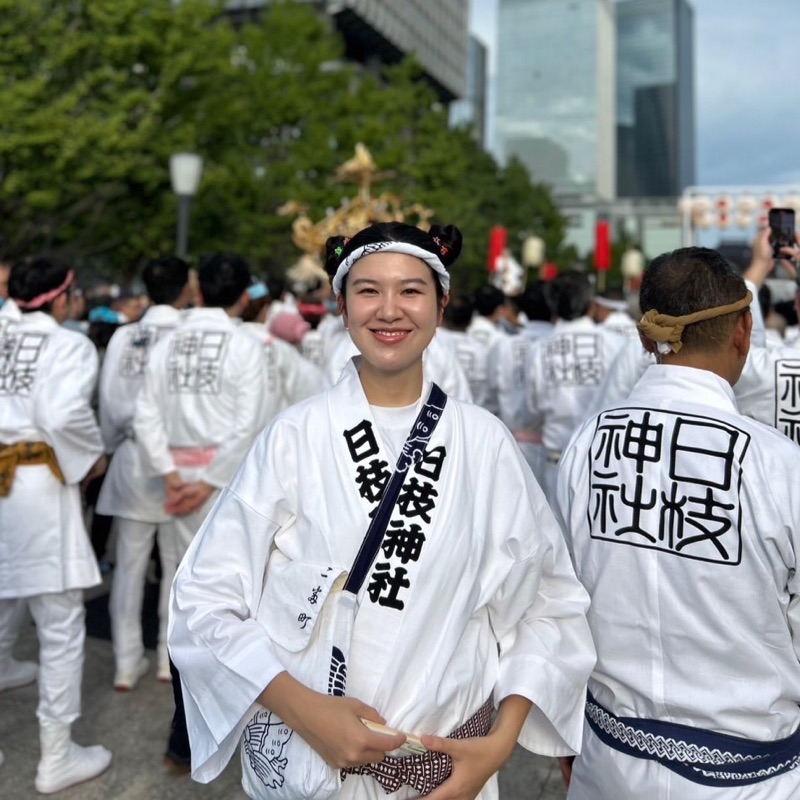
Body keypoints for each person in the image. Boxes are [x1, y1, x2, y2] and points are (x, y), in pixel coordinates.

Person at [169, 221, 596, 799]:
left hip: (447, 775)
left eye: (411, 290)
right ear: (341, 305)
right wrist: (307, 711)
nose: (389, 309)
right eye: (368, 290)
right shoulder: (294, 437)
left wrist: (496, 748)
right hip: (306, 768)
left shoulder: (484, 442)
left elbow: (549, 603)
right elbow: (204, 599)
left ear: (441, 305)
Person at [557, 246, 800, 799]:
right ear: (744, 329)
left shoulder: (588, 443)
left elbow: (562, 601)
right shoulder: (778, 464)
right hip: (750, 776)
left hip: (609, 758)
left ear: (646, 338)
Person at [134, 251, 280, 769]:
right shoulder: (247, 345)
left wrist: (174, 475)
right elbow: (253, 421)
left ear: (198, 290)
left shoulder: (165, 342)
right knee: (241, 601)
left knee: (184, 595)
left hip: (176, 483)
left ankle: (184, 729)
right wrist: (209, 480)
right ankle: (223, 721)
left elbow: (144, 410)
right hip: (227, 487)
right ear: (244, 295)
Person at [0, 258, 111, 793]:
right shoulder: (69, 344)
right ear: (61, 298)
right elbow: (63, 412)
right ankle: (56, 756)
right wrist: (89, 457)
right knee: (60, 621)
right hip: (35, 484)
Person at [96, 255, 193, 690]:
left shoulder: (125, 336)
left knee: (129, 568)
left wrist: (112, 445)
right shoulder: (190, 335)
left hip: (134, 460)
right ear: (185, 288)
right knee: (178, 570)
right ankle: (165, 656)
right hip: (183, 464)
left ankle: (125, 661)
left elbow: (111, 403)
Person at [525, 269, 626, 504]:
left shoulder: (539, 349)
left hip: (556, 461)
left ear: (552, 305)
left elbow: (534, 406)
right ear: (591, 303)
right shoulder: (617, 344)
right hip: (606, 464)